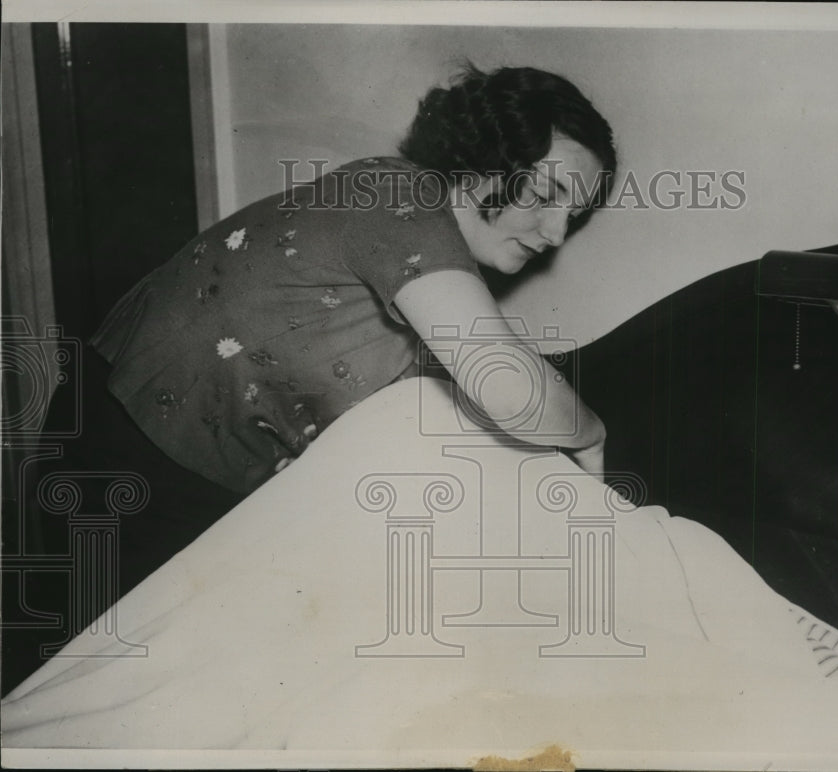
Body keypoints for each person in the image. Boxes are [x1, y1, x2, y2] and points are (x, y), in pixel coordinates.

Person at [13, 64, 615, 686]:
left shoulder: (424, 260)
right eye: (545, 196)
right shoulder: (398, 199)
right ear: (483, 158)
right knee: (83, 689)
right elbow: (510, 386)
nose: (557, 233)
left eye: (576, 212)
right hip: (132, 445)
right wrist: (590, 433)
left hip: (186, 466)